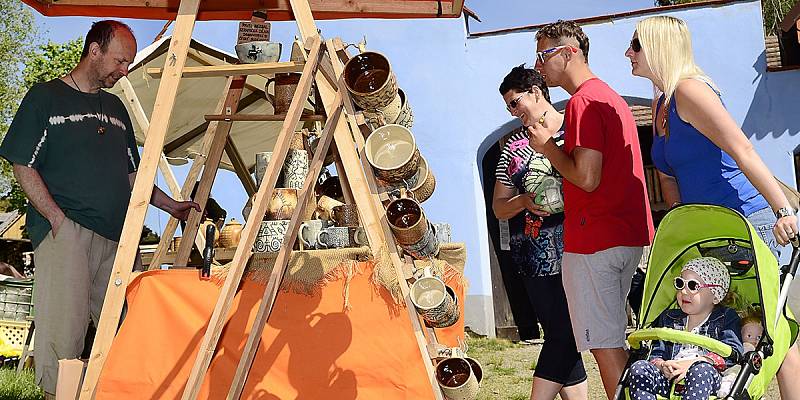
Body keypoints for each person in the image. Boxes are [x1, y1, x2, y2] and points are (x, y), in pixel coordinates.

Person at [0, 20, 200, 398]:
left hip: (119, 238)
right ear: (95, 50)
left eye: (128, 64)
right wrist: (57, 220)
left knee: (129, 326)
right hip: (67, 234)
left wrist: (171, 205)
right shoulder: (45, 98)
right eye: (120, 62)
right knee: (65, 334)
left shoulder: (115, 108)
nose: (124, 72)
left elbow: (131, 176)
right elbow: (21, 163)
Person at [625, 15, 800, 398]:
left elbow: (743, 149)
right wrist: (677, 229)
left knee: (769, 321)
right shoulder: (662, 103)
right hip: (707, 226)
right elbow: (669, 178)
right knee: (749, 319)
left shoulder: (691, 91)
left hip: (744, 217)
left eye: (636, 45)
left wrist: (782, 210)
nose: (628, 53)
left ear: (658, 47)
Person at [526, 20, 655, 399]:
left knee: (604, 342)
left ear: (569, 53)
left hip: (595, 240)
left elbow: (586, 177)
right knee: (613, 338)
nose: (538, 66)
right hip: (621, 234)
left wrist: (547, 146)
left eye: (543, 55)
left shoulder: (583, 101)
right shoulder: (609, 96)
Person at [495, 65, 588, 400]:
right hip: (534, 259)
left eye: (516, 102)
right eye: (508, 107)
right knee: (563, 334)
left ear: (536, 92)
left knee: (566, 335)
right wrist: (522, 200)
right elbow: (499, 208)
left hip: (582, 249)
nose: (513, 111)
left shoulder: (576, 130)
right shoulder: (513, 149)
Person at [627, 257, 744, 400]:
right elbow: (657, 353)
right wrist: (662, 365)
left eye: (693, 285)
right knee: (639, 368)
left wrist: (693, 363)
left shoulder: (726, 317)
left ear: (716, 295)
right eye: (680, 283)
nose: (684, 291)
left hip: (706, 379)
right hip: (671, 379)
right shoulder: (669, 318)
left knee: (700, 371)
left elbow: (733, 353)